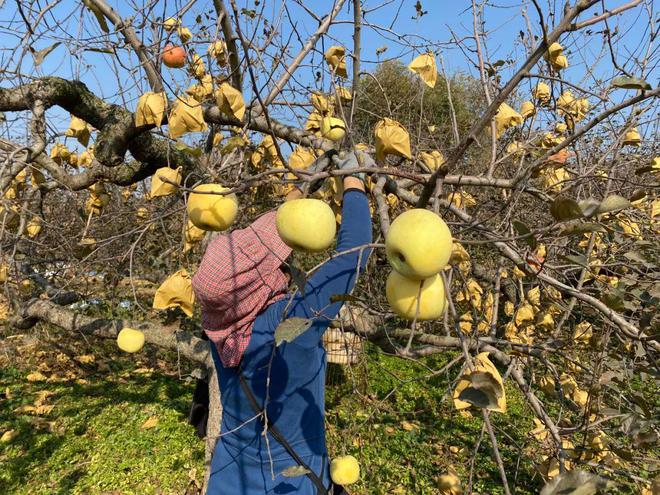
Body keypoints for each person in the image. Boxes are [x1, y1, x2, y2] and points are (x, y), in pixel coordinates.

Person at [192, 150, 373, 495]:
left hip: (227, 482)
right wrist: (354, 179)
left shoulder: (219, 328)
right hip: (289, 486)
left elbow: (253, 255)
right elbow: (354, 254)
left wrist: (299, 189)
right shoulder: (290, 325)